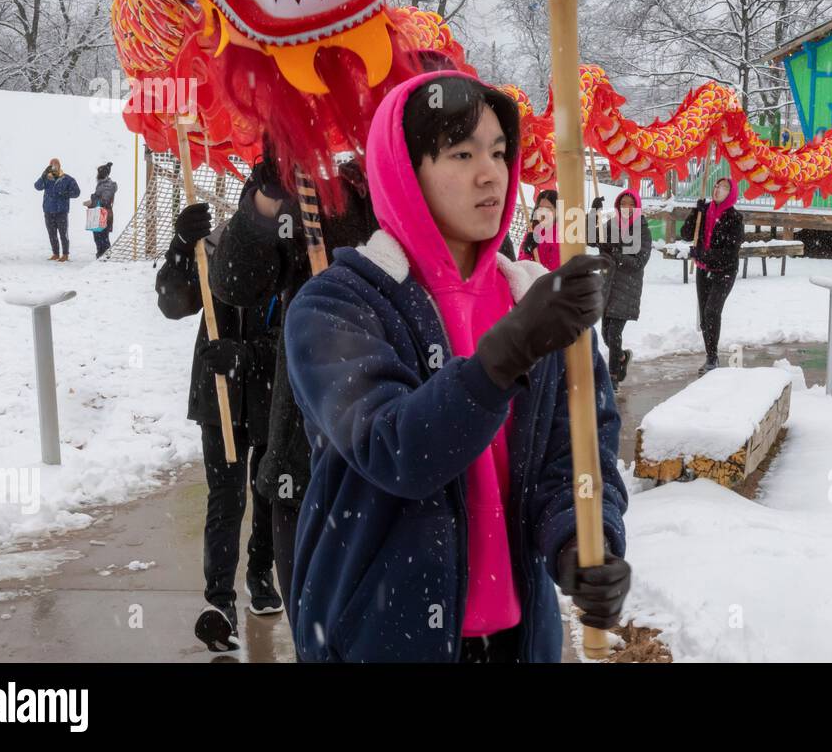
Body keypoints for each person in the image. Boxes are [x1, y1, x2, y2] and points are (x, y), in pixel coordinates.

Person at [284, 71, 630, 662]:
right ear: (404, 171)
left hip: (518, 645)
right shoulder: (339, 304)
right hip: (381, 640)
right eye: (461, 153)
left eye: (498, 152)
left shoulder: (534, 301)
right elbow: (395, 448)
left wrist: (580, 542)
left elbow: (575, 457)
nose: (490, 172)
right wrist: (507, 353)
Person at [207, 149, 375, 618]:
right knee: (318, 636)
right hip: (305, 464)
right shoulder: (308, 195)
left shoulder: (435, 190)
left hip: (406, 463)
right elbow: (235, 282)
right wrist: (266, 197)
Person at [156, 201, 282, 652]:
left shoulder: (294, 249)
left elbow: (302, 331)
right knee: (226, 498)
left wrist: (249, 356)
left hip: (272, 394)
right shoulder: (212, 246)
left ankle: (260, 571)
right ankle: (220, 601)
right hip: (219, 396)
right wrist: (180, 245)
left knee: (268, 491)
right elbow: (173, 304)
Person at [679, 176, 745, 375]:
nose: (718, 189)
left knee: (712, 311)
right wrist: (695, 212)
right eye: (717, 185)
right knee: (704, 317)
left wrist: (704, 254)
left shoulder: (735, 218)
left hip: (724, 271)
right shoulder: (704, 211)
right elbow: (685, 234)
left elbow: (730, 253)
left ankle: (712, 358)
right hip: (703, 269)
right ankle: (711, 355)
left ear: (731, 193)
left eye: (724, 187)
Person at [591, 189, 652, 386]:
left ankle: (613, 378)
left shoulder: (642, 230)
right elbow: (594, 239)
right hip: (608, 285)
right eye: (623, 204)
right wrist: (594, 214)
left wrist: (617, 254)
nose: (626, 208)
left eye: (630, 204)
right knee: (606, 335)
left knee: (614, 334)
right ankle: (622, 358)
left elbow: (639, 261)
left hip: (627, 288)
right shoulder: (612, 225)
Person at [33, 158, 81, 261]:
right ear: (49, 166)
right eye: (52, 164)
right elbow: (37, 187)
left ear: (59, 165)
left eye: (56, 164)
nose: (54, 166)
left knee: (63, 234)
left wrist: (66, 194)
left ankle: (65, 254)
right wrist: (43, 175)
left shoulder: (67, 179)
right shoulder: (46, 178)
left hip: (61, 211)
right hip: (48, 210)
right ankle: (55, 253)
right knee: (52, 234)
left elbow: (77, 192)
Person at [519, 189, 562, 269]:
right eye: (540, 208)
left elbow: (556, 270)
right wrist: (527, 251)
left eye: (549, 209)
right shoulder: (532, 231)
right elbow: (522, 265)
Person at [84, 162, 118, 258]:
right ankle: (101, 255)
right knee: (98, 236)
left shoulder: (107, 185)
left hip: (104, 213)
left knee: (102, 236)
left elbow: (105, 201)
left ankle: (105, 256)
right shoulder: (102, 184)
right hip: (100, 213)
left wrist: (92, 200)